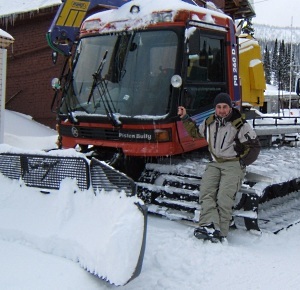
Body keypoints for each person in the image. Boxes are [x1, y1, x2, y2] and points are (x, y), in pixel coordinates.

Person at [178, 92, 260, 242]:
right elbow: (196, 133)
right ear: (215, 108)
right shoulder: (210, 122)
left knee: (224, 198)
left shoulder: (239, 124)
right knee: (206, 193)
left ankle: (220, 232)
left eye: (225, 107)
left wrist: (241, 163)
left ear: (230, 107)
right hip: (215, 163)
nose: (222, 110)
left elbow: (254, 147)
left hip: (233, 164)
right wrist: (185, 117)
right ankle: (207, 225)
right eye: (219, 107)